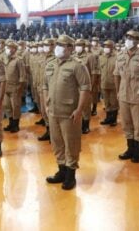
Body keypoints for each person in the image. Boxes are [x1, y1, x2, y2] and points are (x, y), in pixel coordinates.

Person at [44, 35, 91, 190]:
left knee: (71, 144)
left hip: (69, 113)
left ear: (70, 48)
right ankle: (61, 171)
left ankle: (70, 176)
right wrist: (46, 102)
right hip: (53, 112)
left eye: (62, 45)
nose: (58, 47)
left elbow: (85, 88)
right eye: (57, 44)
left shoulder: (77, 66)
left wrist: (79, 110)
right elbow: (45, 85)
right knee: (57, 143)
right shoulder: (50, 64)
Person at [114, 30, 139, 163]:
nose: (129, 39)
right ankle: (130, 149)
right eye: (128, 37)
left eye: (133, 38)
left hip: (138, 96)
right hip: (123, 95)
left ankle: (138, 152)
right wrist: (118, 91)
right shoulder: (120, 55)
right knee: (126, 124)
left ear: (138, 40)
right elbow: (116, 74)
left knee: (138, 125)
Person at [73, 39, 99, 134]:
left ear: (84, 46)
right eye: (76, 45)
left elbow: (94, 72)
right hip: (75, 86)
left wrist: (91, 86)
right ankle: (78, 125)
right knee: (77, 105)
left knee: (86, 106)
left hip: (85, 85)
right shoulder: (73, 56)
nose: (77, 47)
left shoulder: (90, 56)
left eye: (79, 45)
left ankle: (86, 125)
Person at [3, 41, 27, 133]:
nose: (8, 49)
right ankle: (10, 123)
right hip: (6, 87)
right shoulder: (5, 59)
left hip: (15, 87)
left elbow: (22, 75)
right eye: (7, 47)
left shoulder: (18, 60)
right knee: (7, 106)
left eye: (9, 47)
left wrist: (20, 88)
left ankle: (16, 125)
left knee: (15, 107)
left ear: (14, 49)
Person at [37, 38, 56, 141]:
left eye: (47, 45)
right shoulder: (42, 57)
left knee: (51, 112)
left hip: (50, 90)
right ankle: (48, 131)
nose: (45, 47)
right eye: (44, 45)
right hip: (42, 89)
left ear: (53, 46)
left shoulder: (55, 58)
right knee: (44, 112)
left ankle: (54, 134)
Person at [99, 40, 119, 126]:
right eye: (105, 46)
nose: (106, 48)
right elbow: (100, 70)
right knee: (106, 102)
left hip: (113, 84)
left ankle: (113, 119)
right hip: (104, 83)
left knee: (114, 102)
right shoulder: (101, 57)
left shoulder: (117, 57)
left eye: (108, 46)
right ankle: (108, 118)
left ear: (112, 47)